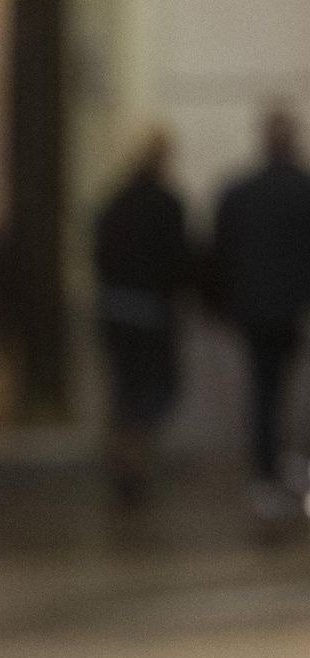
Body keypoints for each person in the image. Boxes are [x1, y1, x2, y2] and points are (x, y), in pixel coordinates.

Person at [213, 106, 310, 517]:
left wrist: (225, 305)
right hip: (290, 309)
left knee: (264, 393)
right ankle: (286, 465)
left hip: (255, 311)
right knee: (282, 390)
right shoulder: (302, 189)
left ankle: (269, 471)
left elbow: (221, 253)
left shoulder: (240, 192)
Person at [92, 128, 191, 505]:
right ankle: (135, 460)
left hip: (116, 309)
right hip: (151, 311)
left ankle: (125, 459)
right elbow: (179, 260)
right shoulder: (168, 204)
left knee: (125, 390)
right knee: (152, 391)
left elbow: (100, 253)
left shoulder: (116, 201)